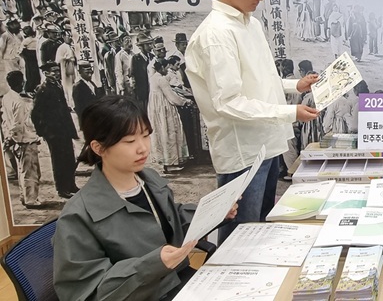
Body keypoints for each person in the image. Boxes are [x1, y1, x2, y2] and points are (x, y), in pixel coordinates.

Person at [185, 0, 319, 243]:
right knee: (240, 234)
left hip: (267, 144)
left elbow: (260, 79)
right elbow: (228, 102)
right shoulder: (215, 35)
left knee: (262, 228)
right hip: (242, 151)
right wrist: (290, 113)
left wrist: (295, 86)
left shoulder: (250, 24)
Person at [52, 95, 237, 300]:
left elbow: (172, 220)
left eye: (146, 135)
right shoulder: (78, 216)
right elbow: (86, 293)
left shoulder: (149, 180)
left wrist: (215, 213)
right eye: (129, 141)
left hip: (181, 283)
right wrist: (152, 265)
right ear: (98, 147)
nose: (143, 148)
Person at [31, 61, 79, 198]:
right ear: (46, 73)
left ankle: (71, 185)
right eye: (54, 71)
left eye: (58, 71)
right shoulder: (43, 89)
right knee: (59, 161)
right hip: (54, 133)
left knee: (69, 158)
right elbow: (35, 114)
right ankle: (62, 188)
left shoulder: (58, 86)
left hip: (64, 130)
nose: (57, 73)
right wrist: (44, 132)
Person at [2, 71, 40, 207]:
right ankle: (31, 200)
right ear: (22, 82)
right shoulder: (20, 102)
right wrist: (13, 138)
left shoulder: (7, 97)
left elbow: (6, 120)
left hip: (15, 139)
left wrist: (8, 138)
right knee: (31, 171)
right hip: (24, 140)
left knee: (22, 170)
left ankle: (24, 197)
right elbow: (18, 124)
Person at [148, 59, 191, 172]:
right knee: (169, 131)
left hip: (156, 108)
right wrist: (184, 101)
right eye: (166, 68)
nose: (168, 70)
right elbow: (171, 96)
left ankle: (165, 162)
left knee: (161, 133)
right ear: (162, 68)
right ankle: (171, 162)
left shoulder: (153, 78)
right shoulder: (161, 79)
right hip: (164, 108)